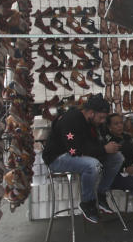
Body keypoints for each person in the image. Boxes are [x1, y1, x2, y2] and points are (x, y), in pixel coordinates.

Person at [42, 93, 124, 224]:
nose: (103, 121)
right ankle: (88, 203)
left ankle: (100, 194)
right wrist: (103, 149)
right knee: (93, 165)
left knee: (117, 158)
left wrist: (108, 147)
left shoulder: (91, 122)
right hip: (57, 158)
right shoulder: (71, 120)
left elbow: (91, 145)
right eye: (101, 117)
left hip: (76, 154)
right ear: (91, 113)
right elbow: (75, 150)